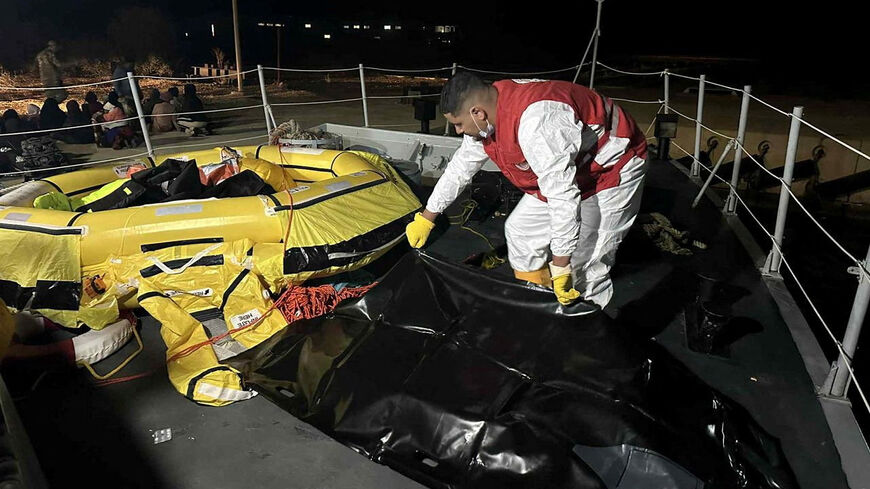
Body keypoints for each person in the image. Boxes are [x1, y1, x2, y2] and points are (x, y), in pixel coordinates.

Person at [405, 73, 647, 308]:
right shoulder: (488, 117)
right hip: (569, 167)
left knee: (584, 265)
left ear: (477, 112)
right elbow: (460, 169)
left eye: (458, 124)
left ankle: (585, 330)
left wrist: (561, 266)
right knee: (521, 233)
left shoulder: (538, 122)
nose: (458, 131)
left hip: (611, 170)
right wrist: (427, 218)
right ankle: (539, 302)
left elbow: (562, 196)